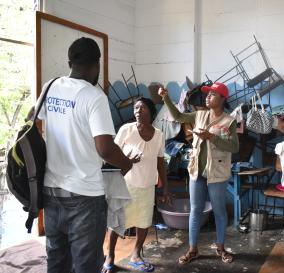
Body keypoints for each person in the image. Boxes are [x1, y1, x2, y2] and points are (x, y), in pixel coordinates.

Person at [38, 37, 139, 273]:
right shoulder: (94, 97)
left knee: (57, 259)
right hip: (84, 195)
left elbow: (36, 118)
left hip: (51, 191)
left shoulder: (50, 86)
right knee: (86, 263)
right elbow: (104, 148)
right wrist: (126, 164)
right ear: (97, 65)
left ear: (69, 62)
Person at [158, 82, 239, 264]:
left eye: (212, 94)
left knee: (219, 211)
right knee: (195, 210)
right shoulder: (199, 115)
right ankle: (193, 249)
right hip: (196, 172)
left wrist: (211, 137)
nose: (208, 97)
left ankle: (220, 248)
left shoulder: (229, 121)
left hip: (216, 173)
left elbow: (234, 147)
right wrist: (165, 98)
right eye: (208, 94)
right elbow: (178, 116)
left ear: (222, 98)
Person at [102, 97, 171, 273]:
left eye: (142, 108)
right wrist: (126, 160)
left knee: (143, 222)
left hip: (147, 186)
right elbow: (111, 153)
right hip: (124, 185)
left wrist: (165, 187)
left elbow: (160, 162)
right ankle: (109, 257)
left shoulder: (158, 134)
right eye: (135, 108)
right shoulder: (127, 129)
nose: (138, 111)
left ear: (151, 111)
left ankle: (135, 255)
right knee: (117, 223)